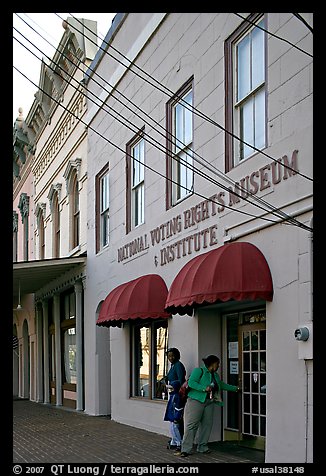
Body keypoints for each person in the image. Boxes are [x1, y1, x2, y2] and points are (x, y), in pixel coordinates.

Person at [175, 354, 240, 457]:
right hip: (196, 401)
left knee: (207, 425)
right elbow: (191, 382)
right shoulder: (199, 371)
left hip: (209, 402)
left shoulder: (215, 375)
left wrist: (235, 388)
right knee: (192, 425)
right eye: (217, 364)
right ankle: (186, 449)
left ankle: (203, 447)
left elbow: (221, 385)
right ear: (212, 363)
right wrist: (204, 388)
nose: (218, 366)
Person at [163, 347, 186, 449]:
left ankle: (179, 442)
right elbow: (169, 377)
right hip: (172, 394)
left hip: (177, 395)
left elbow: (181, 381)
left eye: (172, 356)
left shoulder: (178, 366)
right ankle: (174, 440)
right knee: (172, 418)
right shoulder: (173, 366)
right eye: (169, 356)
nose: (171, 358)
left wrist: (173, 385)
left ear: (177, 355)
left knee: (176, 419)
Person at [164, 380, 184, 450]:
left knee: (175, 430)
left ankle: (179, 443)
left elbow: (178, 409)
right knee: (173, 430)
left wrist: (176, 417)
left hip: (175, 417)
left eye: (171, 388)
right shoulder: (173, 396)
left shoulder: (176, 397)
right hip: (172, 416)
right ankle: (174, 442)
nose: (170, 390)